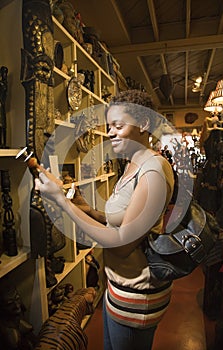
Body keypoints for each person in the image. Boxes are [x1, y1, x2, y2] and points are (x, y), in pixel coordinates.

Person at [36, 89, 175, 350]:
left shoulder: (154, 170)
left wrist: (63, 202)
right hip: (118, 288)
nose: (110, 132)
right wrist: (87, 209)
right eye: (109, 126)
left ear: (143, 124)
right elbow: (121, 219)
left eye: (118, 125)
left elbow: (122, 244)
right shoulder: (132, 165)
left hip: (137, 296)